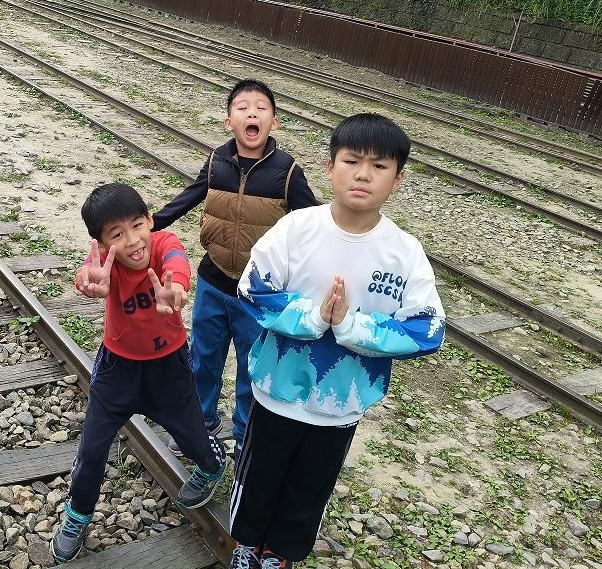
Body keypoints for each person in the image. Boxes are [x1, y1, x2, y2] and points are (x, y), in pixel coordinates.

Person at [227, 113, 446, 569]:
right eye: (352, 160)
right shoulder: (297, 229)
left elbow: (427, 329)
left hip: (341, 403)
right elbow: (253, 289)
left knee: (311, 485)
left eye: (380, 166)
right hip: (275, 392)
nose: (363, 174)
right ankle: (247, 545)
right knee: (259, 476)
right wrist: (313, 317)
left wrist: (351, 326)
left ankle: (281, 554)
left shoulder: (403, 251)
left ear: (399, 179)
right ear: (330, 167)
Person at [51, 183, 229, 563]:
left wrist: (177, 286)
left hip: (170, 367)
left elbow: (177, 261)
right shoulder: (104, 261)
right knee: (92, 447)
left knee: (194, 438)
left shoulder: (164, 241)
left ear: (150, 219)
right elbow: (91, 275)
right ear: (101, 242)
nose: (132, 241)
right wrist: (87, 284)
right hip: (118, 369)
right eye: (117, 234)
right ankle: (76, 517)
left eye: (137, 225)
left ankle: (213, 465)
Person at [153, 79, 318, 457]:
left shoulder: (287, 171)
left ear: (273, 122)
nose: (252, 113)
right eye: (243, 108)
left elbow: (311, 223)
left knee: (251, 365)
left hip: (257, 291)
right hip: (213, 280)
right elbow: (190, 197)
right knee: (203, 358)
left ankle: (245, 434)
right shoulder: (217, 161)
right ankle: (200, 425)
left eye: (261, 108)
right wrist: (153, 223)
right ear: (229, 121)